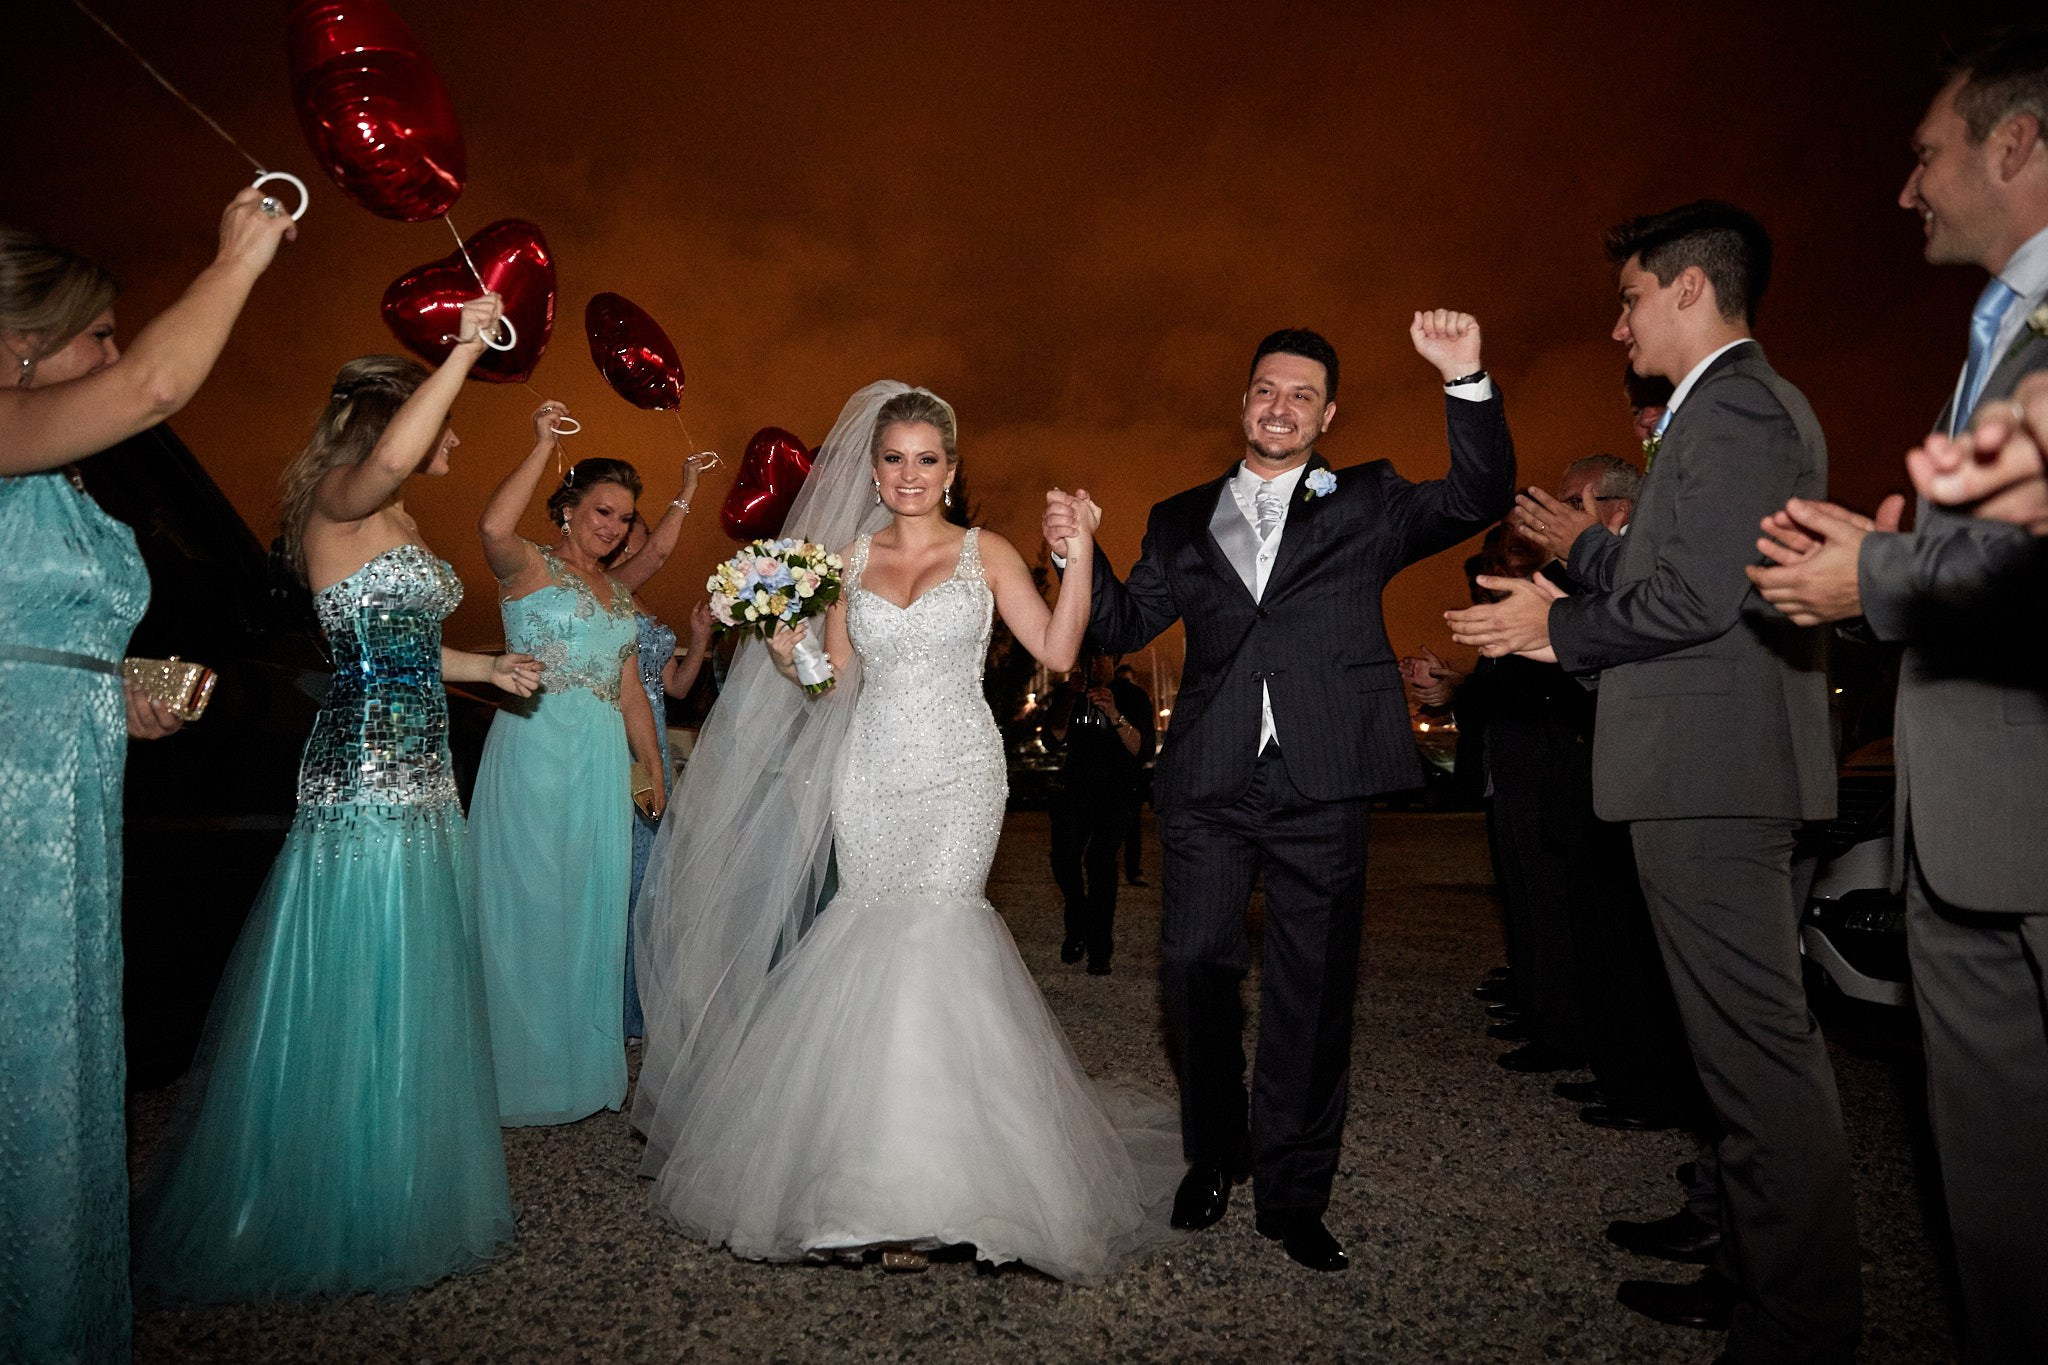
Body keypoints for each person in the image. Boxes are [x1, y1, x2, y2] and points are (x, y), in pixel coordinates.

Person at [632, 382, 1180, 1281]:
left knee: (942, 930)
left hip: (961, 771)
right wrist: (786, 648)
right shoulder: (844, 560)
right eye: (895, 458)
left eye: (928, 458)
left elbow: (1056, 648)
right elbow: (831, 678)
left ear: (952, 470)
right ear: (874, 470)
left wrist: (1078, 555)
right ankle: (874, 1186)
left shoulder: (986, 550)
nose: (910, 473)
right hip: (873, 771)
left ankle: (964, 1180)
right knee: (873, 933)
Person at [1448, 201, 1856, 1363]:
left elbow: (1689, 603)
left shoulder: (1731, 408)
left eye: (1628, 296)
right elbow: (1686, 568)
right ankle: (1747, 1272)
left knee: (1754, 1061)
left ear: (1687, 288)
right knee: (1730, 1056)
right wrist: (1579, 552)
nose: (1616, 322)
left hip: (1714, 774)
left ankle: (1793, 1326)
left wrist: (1556, 625)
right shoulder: (1714, 414)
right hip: (1702, 767)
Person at [1049, 315, 1516, 1272]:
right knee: (1192, 970)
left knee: (1312, 988)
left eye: (1302, 394)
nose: (1281, 405)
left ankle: (1297, 1194)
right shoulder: (1181, 517)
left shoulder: (1370, 497)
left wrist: (1465, 376)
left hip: (1326, 776)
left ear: (1327, 412)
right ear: (1244, 401)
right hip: (1211, 779)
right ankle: (1216, 1152)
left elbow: (1479, 491)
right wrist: (1076, 552)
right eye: (1267, 388)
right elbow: (1126, 622)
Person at [131, 303, 537, 1300]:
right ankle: (329, 1185)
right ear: (391, 421)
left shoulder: (389, 520)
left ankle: (392, 1168)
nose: (449, 437)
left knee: (411, 961)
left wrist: (486, 660)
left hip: (423, 761)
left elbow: (391, 640)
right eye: (440, 419)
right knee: (365, 951)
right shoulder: (343, 499)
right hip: (362, 762)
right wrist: (463, 349)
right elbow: (397, 456)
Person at [1746, 31, 2048, 1362]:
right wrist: (1879, 549)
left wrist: (1872, 570)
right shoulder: (2000, 330)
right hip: (1976, 829)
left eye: (1926, 158)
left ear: (2016, 145)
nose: (1905, 191)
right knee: (1995, 1209)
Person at [0, 190, 292, 1363]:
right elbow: (157, 386)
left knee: (55, 1065)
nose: (115, 356)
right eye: (98, 334)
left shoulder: (59, 475)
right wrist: (237, 258)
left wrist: (113, 693)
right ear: (27, 338)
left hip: (63, 799)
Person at [472, 419, 668, 1126]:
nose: (613, 528)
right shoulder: (526, 565)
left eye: (622, 518)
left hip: (598, 756)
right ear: (568, 508)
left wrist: (649, 766)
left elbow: (631, 692)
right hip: (534, 742)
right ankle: (515, 1071)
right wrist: (536, 443)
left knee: (590, 906)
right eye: (601, 512)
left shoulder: (617, 597)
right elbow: (492, 521)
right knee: (528, 901)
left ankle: (575, 1072)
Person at [607, 505, 714, 1042]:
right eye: (636, 532)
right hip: (623, 746)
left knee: (653, 880)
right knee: (626, 878)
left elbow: (674, 686)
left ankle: (642, 1004)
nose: (639, 540)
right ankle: (619, 1011)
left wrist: (699, 638)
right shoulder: (600, 588)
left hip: (655, 748)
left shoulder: (642, 604)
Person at [1049, 650, 1153, 974]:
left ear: (1113, 659)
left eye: (1099, 658)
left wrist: (1115, 714)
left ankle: (1099, 949)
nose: (1093, 665)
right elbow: (1052, 740)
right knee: (1063, 859)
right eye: (1086, 659)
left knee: (1100, 863)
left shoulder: (1132, 696)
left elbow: (1143, 749)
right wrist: (1070, 695)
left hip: (1117, 794)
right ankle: (1077, 920)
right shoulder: (1070, 694)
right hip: (1076, 791)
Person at [1114, 662, 1155, 886]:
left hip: (1130, 772)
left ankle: (1133, 869)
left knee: (1132, 826)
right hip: (1119, 770)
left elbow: (1144, 744)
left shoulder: (1137, 699)